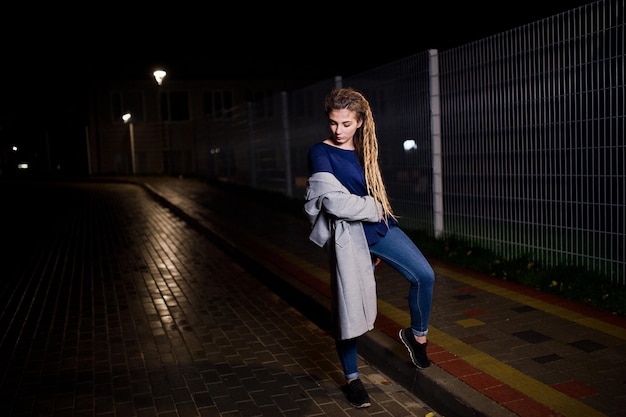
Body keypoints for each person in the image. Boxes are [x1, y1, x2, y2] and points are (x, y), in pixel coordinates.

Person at [304, 87, 436, 408]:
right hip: (348, 238)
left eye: (346, 124)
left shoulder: (367, 149)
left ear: (360, 122)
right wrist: (373, 207)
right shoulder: (320, 153)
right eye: (334, 123)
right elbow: (332, 202)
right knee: (348, 314)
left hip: (380, 230)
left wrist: (376, 211)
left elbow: (370, 190)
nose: (338, 130)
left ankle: (417, 337)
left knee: (425, 275)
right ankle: (352, 379)